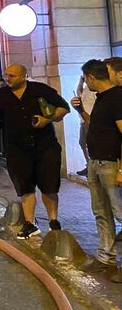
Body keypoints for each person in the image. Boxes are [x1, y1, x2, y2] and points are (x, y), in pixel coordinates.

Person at [0, 64, 69, 239]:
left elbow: (63, 107)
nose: (8, 78)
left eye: (12, 76)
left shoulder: (40, 89)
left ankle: (53, 220)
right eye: (7, 75)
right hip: (17, 148)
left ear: (23, 76)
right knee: (25, 187)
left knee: (49, 186)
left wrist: (46, 119)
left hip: (45, 146)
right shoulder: (4, 94)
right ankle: (30, 223)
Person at [71, 60, 122, 281]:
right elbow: (97, 126)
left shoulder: (117, 98)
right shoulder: (102, 99)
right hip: (96, 162)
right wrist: (80, 109)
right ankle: (105, 260)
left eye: (86, 79)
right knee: (101, 213)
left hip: (111, 164)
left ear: (91, 78)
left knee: (120, 213)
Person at [75, 74, 96, 177]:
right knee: (82, 143)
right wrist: (81, 81)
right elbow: (79, 93)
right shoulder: (86, 88)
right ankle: (89, 165)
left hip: (90, 120)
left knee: (90, 144)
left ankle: (92, 167)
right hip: (83, 120)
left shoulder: (94, 89)